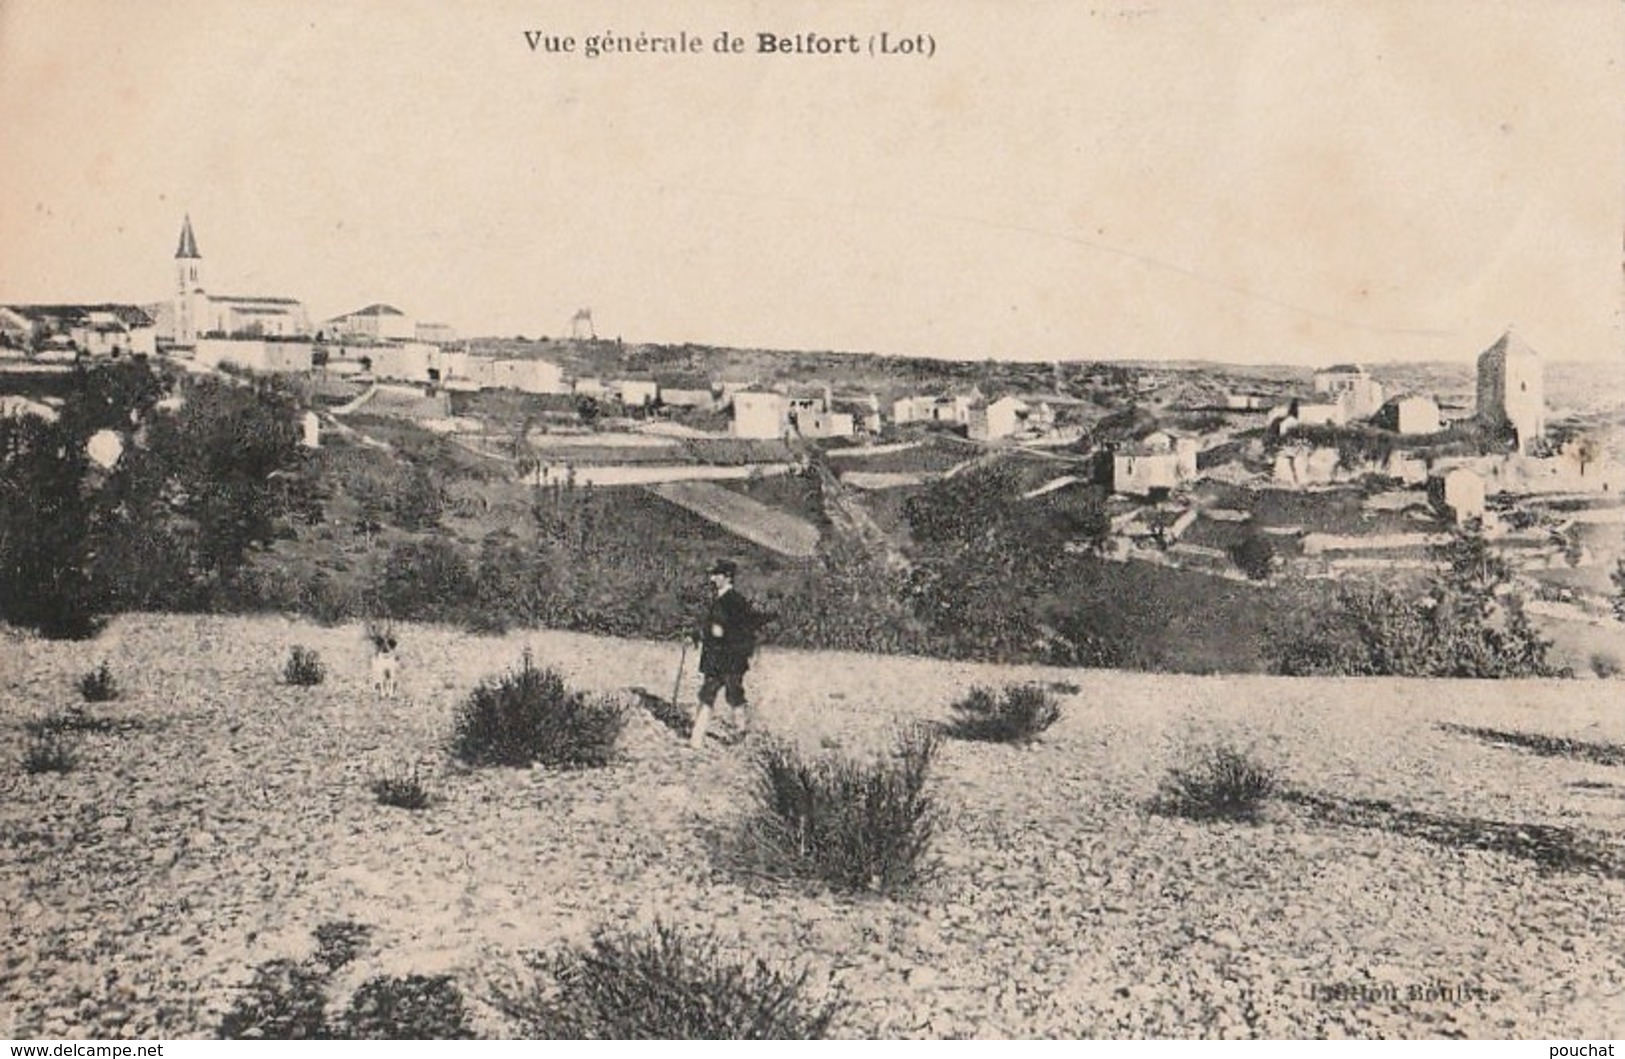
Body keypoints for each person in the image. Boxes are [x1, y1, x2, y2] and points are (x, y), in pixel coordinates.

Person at [690, 558, 761, 748]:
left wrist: (724, 634)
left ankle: (740, 731)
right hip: (715, 658)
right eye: (712, 575)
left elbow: (747, 629)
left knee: (733, 695)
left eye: (716, 575)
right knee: (708, 693)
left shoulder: (737, 602)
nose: (712, 579)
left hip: (731, 659)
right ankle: (696, 737)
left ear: (727, 577)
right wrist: (696, 635)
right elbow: (709, 624)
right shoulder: (717, 599)